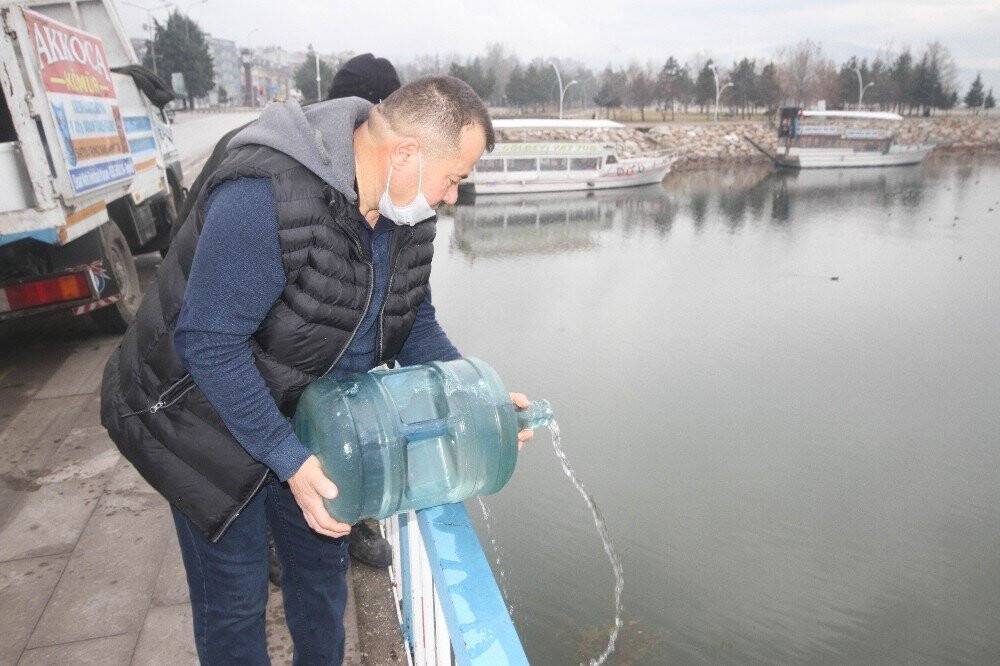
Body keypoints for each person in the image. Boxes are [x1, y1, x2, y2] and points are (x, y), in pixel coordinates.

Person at [100, 76, 537, 664]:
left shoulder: (407, 214)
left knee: (322, 579)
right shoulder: (267, 195)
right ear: (406, 153)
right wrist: (290, 462)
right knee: (234, 600)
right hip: (200, 418)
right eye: (453, 178)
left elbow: (412, 323)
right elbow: (208, 342)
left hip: (307, 411)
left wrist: (473, 397)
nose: (453, 197)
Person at [176, 54, 403, 571]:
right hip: (212, 395)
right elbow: (203, 317)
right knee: (234, 593)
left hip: (293, 385)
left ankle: (328, 525)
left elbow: (381, 305)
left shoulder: (378, 188)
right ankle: (273, 533)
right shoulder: (265, 168)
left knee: (314, 533)